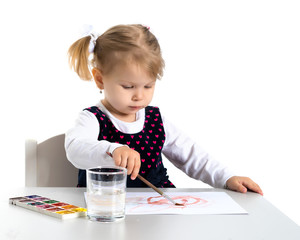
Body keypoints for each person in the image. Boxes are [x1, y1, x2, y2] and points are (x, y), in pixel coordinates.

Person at [65, 24, 263, 195]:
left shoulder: (154, 120)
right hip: (106, 206)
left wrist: (227, 178)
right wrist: (112, 149)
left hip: (157, 206)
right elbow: (75, 148)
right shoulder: (92, 118)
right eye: (128, 86)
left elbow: (192, 155)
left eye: (148, 86)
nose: (139, 96)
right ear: (100, 79)